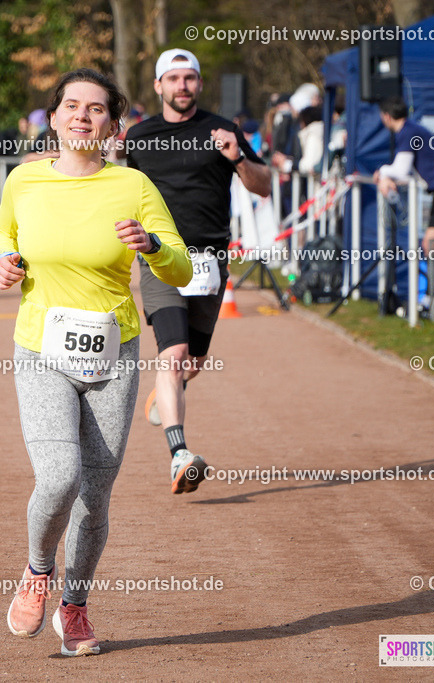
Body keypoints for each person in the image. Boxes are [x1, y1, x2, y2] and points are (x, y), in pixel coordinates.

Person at [0, 69, 191, 657]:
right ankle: (35, 573)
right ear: (52, 118)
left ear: (113, 124)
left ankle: (74, 608)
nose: (82, 116)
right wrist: (3, 261)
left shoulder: (133, 186)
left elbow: (180, 267)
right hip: (41, 349)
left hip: (114, 353)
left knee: (96, 495)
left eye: (96, 109)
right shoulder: (24, 181)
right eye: (71, 106)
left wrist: (152, 247)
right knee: (58, 475)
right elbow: (2, 235)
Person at [125, 49, 270, 494]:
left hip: (209, 263)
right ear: (158, 86)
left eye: (189, 78)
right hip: (161, 257)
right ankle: (179, 454)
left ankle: (164, 394)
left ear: (199, 84)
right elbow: (108, 184)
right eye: (173, 79)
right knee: (172, 355)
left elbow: (263, 185)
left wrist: (238, 159)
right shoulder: (139, 136)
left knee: (192, 364)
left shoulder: (223, 131)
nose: (182, 86)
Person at [373, 96, 434, 294]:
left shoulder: (408, 132)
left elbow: (400, 170)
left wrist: (383, 172)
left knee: (431, 243)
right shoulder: (412, 130)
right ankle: (432, 297)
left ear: (386, 117)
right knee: (431, 243)